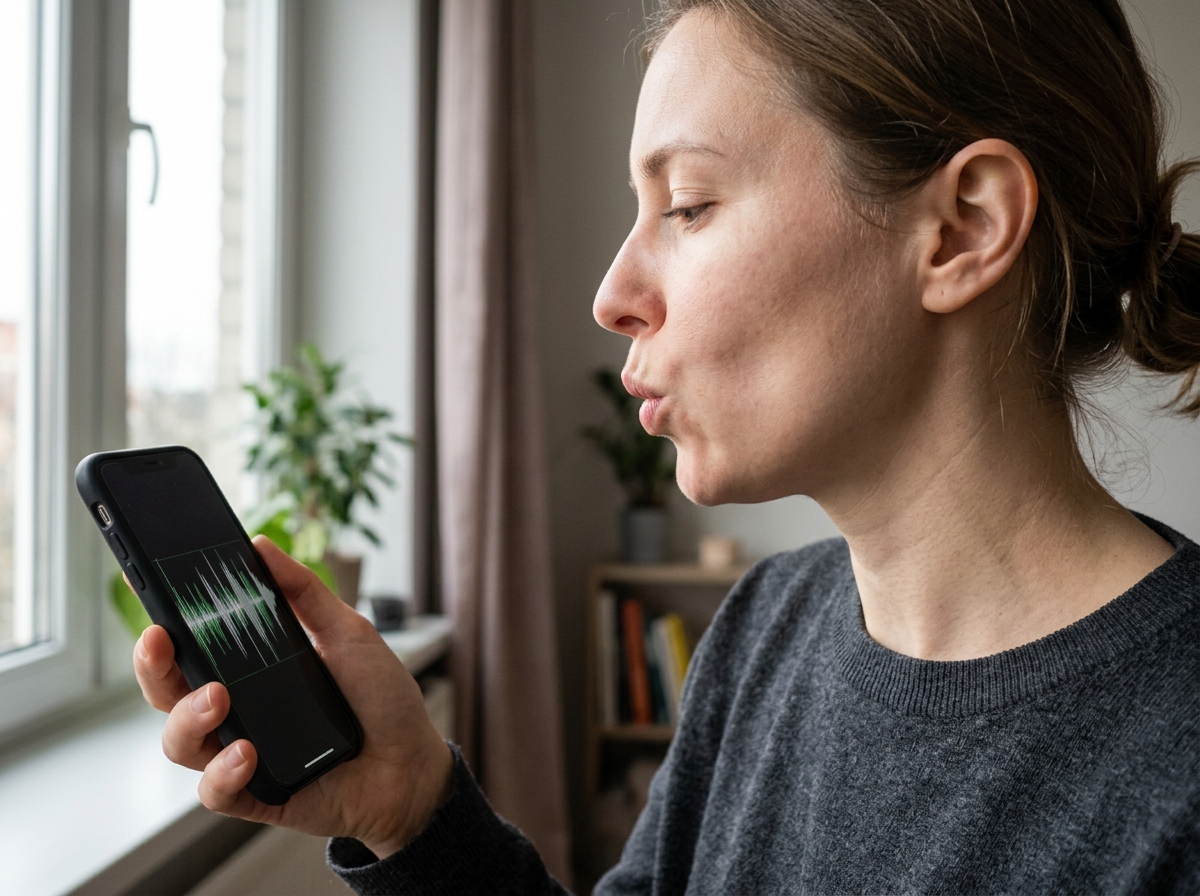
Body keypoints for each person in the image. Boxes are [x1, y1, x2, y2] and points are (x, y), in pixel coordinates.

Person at [134, 0, 1200, 892]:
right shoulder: (763, 631)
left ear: (964, 226)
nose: (611, 295)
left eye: (688, 204)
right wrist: (413, 810)